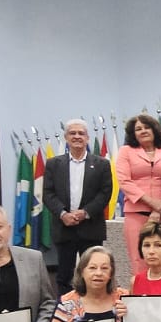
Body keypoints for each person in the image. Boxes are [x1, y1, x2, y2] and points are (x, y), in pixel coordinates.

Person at [43, 118, 114, 293]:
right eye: (72, 133)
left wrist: (85, 212)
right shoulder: (53, 164)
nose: (77, 136)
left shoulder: (101, 164)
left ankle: (93, 310)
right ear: (66, 137)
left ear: (87, 138)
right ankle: (65, 312)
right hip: (64, 227)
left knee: (93, 273)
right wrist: (63, 214)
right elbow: (48, 193)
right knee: (64, 275)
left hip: (91, 227)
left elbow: (105, 193)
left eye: (81, 133)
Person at [116, 113, 161, 278]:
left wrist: (160, 208)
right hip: (136, 214)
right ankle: (142, 300)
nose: (143, 131)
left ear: (155, 129)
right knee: (139, 260)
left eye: (146, 127)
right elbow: (124, 181)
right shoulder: (126, 151)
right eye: (138, 129)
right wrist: (152, 203)